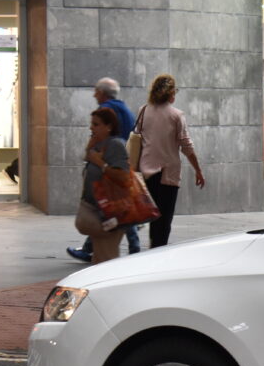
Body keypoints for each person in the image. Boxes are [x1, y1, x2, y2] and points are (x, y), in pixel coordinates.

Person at [67, 77, 141, 261]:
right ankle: (127, 247)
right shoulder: (124, 109)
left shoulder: (107, 112)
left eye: (95, 124)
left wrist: (98, 160)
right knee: (118, 211)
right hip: (119, 165)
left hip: (110, 170)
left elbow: (101, 149)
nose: (94, 95)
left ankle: (132, 248)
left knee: (115, 212)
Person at [138, 74, 205, 248]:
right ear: (170, 93)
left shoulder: (143, 110)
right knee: (164, 221)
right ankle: (158, 254)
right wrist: (198, 170)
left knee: (154, 220)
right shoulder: (176, 115)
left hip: (147, 174)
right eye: (175, 90)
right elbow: (186, 146)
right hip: (166, 175)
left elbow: (140, 136)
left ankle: (153, 250)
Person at [73, 108, 129, 264]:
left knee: (106, 260)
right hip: (100, 212)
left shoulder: (116, 145)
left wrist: (101, 164)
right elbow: (88, 160)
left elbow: (123, 176)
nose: (91, 128)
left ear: (109, 127)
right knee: (99, 260)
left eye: (96, 124)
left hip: (111, 213)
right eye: (92, 124)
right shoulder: (100, 145)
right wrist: (89, 148)